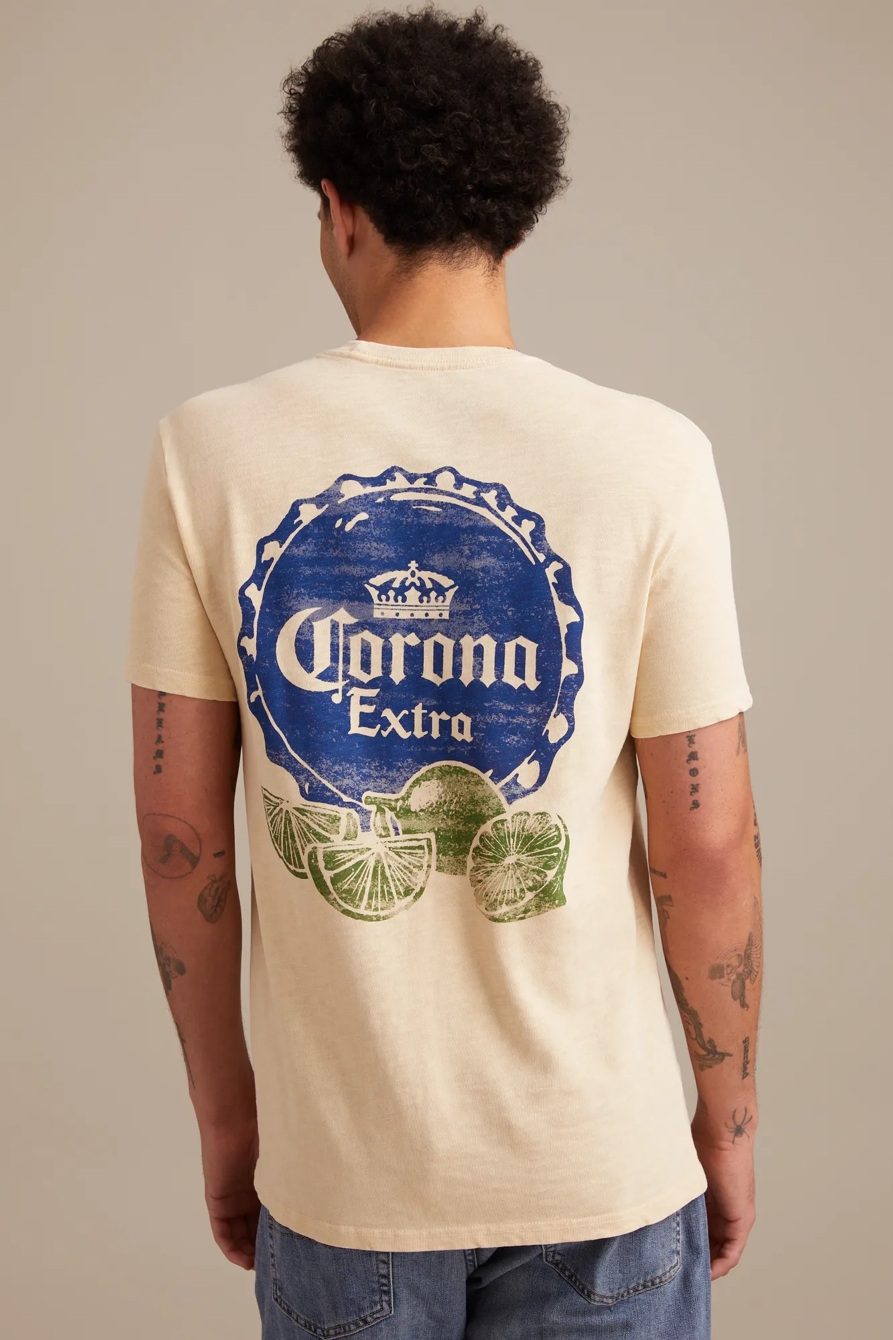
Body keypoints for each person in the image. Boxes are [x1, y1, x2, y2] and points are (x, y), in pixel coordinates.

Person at [128, 7, 762, 1337]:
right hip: (602, 1173)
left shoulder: (209, 451)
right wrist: (727, 1121)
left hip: (341, 1181)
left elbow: (182, 839)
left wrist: (230, 1121)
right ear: (513, 220)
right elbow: (705, 845)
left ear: (337, 208)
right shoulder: (650, 457)